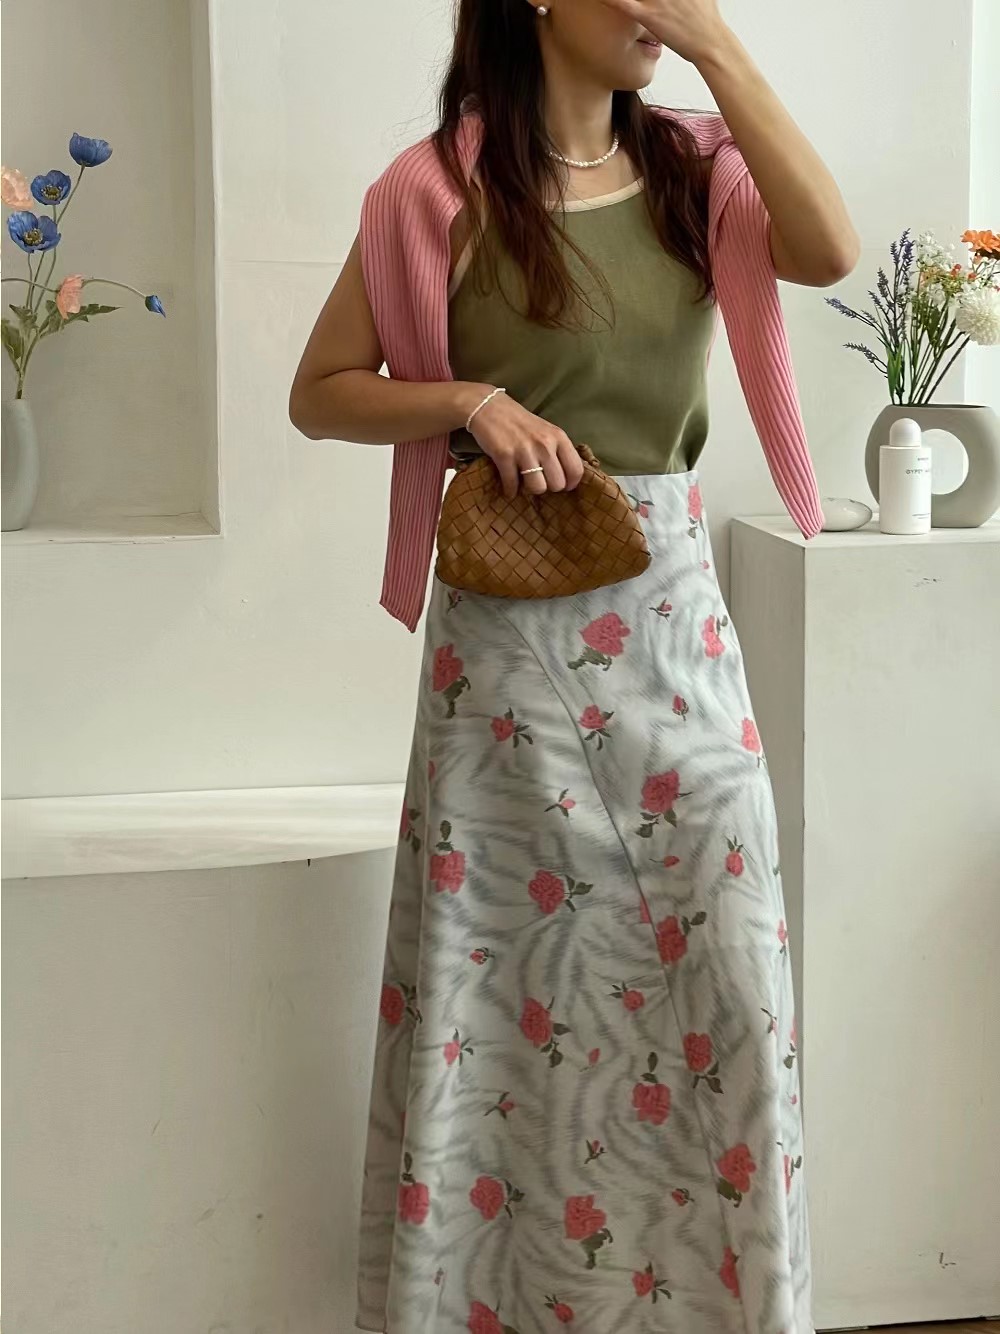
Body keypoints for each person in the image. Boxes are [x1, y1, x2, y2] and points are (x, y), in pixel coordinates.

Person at [290, 2, 858, 1330]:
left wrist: (720, 50)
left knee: (726, 989)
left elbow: (828, 250)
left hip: (673, 626)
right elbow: (321, 390)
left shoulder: (700, 169)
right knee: (501, 1006)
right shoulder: (432, 190)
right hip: (504, 664)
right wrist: (466, 402)